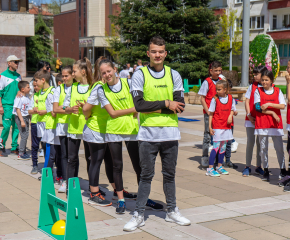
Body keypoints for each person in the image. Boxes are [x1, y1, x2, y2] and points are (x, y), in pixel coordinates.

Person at [124, 36, 190, 231]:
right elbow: (139, 105)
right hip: (147, 135)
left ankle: (171, 211)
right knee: (146, 175)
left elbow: (180, 107)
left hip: (170, 134)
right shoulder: (140, 74)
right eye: (154, 51)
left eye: (161, 51)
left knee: (169, 175)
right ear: (148, 53)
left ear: (165, 53)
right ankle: (138, 214)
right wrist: (165, 103)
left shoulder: (174, 74)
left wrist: (164, 106)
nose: (157, 55)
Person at [97, 59, 142, 214]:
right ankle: (121, 200)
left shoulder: (128, 83)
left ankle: (143, 198)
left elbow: (138, 106)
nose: (107, 75)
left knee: (138, 166)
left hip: (131, 130)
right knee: (117, 166)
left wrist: (132, 110)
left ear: (115, 69)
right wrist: (132, 109)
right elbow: (112, 113)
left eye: (109, 71)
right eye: (103, 73)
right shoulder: (101, 90)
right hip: (113, 131)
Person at [63, 58, 92, 189]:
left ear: (83, 72)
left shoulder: (93, 87)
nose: (72, 74)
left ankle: (93, 187)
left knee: (90, 159)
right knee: (72, 159)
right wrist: (70, 109)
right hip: (74, 127)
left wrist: (86, 107)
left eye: (74, 71)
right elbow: (65, 107)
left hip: (89, 128)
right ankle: (71, 186)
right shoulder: (72, 88)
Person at [254, 70, 286, 182]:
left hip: (275, 124)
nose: (264, 82)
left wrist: (269, 105)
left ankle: (283, 169)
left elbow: (282, 106)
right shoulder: (257, 91)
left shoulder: (277, 91)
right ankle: (266, 169)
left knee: (279, 148)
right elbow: (258, 107)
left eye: (266, 80)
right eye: (262, 80)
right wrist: (272, 112)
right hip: (262, 124)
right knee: (263, 149)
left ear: (271, 80)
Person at [242, 65, 267, 177]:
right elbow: (247, 101)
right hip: (250, 119)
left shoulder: (268, 86)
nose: (254, 76)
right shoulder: (252, 86)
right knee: (250, 142)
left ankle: (258, 166)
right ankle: (247, 166)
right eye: (254, 73)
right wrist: (249, 115)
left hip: (262, 120)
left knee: (260, 144)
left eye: (257, 74)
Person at [53, 66, 74, 193]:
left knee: (73, 155)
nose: (64, 78)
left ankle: (73, 180)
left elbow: (78, 106)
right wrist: (68, 108)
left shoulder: (77, 88)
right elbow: (55, 109)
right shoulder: (58, 89)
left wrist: (63, 107)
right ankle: (65, 181)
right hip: (62, 125)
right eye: (63, 76)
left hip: (74, 125)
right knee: (64, 154)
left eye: (67, 75)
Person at [207, 80, 235, 176]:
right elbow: (210, 114)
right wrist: (210, 127)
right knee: (215, 147)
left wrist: (230, 115)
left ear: (225, 89)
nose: (217, 91)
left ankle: (219, 166)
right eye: (216, 89)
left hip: (226, 127)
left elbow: (233, 110)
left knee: (223, 147)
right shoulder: (214, 99)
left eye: (219, 89)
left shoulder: (231, 98)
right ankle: (210, 168)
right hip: (217, 126)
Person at [198, 61, 222, 167]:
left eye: (219, 70)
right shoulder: (207, 82)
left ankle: (217, 158)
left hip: (219, 114)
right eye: (216, 70)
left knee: (218, 135)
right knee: (207, 135)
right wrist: (207, 110)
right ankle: (204, 157)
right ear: (211, 71)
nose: (218, 72)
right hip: (209, 113)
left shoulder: (221, 81)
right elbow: (202, 99)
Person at [0, 55, 23, 156]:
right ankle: (1, 145)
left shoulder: (19, 76)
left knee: (17, 126)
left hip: (17, 106)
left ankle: (14, 146)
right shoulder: (2, 76)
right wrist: (0, 106)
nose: (17, 64)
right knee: (6, 126)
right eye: (15, 62)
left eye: (18, 62)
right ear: (9, 63)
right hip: (7, 105)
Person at [13, 81, 31, 160]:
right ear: (23, 89)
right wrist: (22, 121)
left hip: (26, 117)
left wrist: (30, 119)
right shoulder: (19, 97)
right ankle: (20, 153)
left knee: (26, 135)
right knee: (24, 135)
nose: (30, 88)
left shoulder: (27, 96)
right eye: (28, 87)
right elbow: (18, 109)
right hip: (21, 118)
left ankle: (23, 151)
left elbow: (28, 109)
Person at [223, 79, 238, 169]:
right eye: (228, 89)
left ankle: (227, 160)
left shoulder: (231, 98)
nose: (229, 91)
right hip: (219, 124)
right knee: (220, 143)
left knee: (228, 143)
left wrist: (235, 112)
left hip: (229, 124)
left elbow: (233, 109)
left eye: (230, 90)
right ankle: (218, 162)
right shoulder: (216, 98)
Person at [28, 80, 41, 174]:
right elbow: (29, 111)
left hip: (45, 123)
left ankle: (48, 166)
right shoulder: (34, 96)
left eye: (36, 85)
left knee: (46, 146)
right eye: (34, 86)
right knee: (35, 145)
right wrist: (34, 110)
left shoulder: (48, 94)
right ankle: (35, 165)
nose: (35, 88)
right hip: (35, 123)